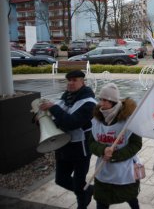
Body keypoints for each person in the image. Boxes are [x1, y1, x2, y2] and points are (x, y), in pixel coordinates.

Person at [39, 70, 97, 209]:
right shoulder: (65, 97)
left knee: (78, 183)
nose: (70, 83)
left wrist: (53, 108)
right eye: (68, 80)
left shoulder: (89, 103)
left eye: (74, 80)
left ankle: (82, 203)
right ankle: (88, 190)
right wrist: (40, 118)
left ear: (83, 82)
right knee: (61, 180)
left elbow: (71, 123)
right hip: (63, 147)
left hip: (80, 149)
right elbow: (55, 121)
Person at [89, 83, 142, 209]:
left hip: (125, 170)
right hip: (103, 170)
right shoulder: (97, 119)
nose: (101, 103)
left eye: (105, 100)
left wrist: (114, 155)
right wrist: (102, 150)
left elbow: (136, 144)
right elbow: (91, 142)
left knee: (130, 198)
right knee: (101, 200)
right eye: (100, 99)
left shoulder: (128, 120)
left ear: (113, 101)